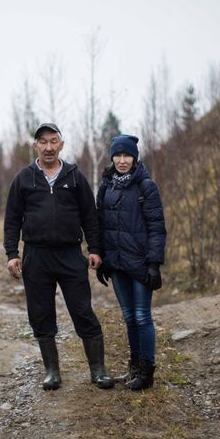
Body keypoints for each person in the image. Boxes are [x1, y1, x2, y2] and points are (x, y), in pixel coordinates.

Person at [4, 123, 114, 391]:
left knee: (82, 311)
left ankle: (98, 371)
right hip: (36, 256)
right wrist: (12, 253)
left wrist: (95, 249)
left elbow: (90, 215)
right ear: (36, 147)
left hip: (69, 255)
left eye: (54, 141)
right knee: (40, 313)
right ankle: (52, 371)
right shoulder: (23, 178)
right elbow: (12, 218)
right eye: (43, 142)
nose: (49, 147)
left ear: (61, 145)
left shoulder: (75, 176)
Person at [95, 134, 166, 391]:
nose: (122, 160)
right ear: (112, 157)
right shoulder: (106, 186)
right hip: (116, 263)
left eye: (127, 156)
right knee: (128, 316)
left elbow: (157, 227)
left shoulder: (145, 186)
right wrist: (102, 259)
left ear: (135, 158)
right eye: (118, 155)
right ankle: (134, 368)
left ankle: (147, 372)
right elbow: (101, 225)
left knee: (142, 316)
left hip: (140, 263)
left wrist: (154, 264)